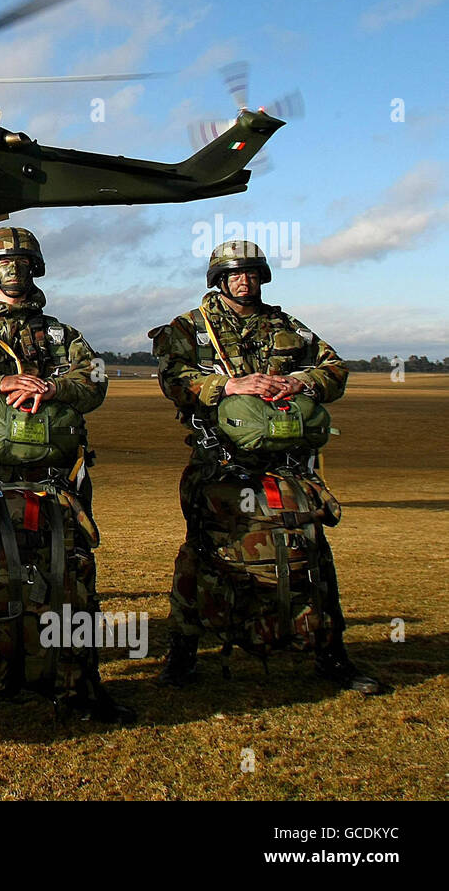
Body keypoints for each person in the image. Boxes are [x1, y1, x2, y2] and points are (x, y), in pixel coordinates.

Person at [0, 226, 131, 721]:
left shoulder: (60, 334)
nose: (14, 270)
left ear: (35, 268)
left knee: (72, 579)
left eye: (23, 261)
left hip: (55, 485)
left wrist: (53, 389)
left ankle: (81, 688)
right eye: (4, 262)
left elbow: (95, 380)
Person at [150, 240, 379, 693]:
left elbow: (334, 369)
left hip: (287, 465)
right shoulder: (189, 328)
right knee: (202, 553)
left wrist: (299, 380)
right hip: (220, 463)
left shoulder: (287, 326)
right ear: (218, 279)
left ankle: (332, 655)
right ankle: (183, 653)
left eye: (252, 272)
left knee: (312, 552)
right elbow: (174, 381)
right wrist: (228, 384)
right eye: (234, 273)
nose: (243, 280)